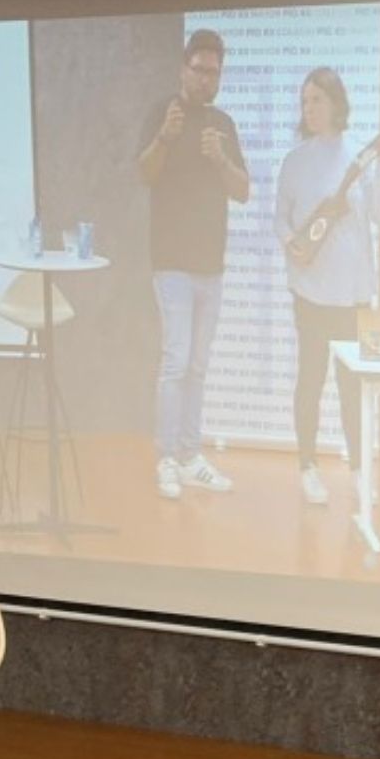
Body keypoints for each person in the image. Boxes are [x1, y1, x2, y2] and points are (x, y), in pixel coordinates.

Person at [138, 27, 249, 499]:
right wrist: (166, 137)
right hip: (171, 261)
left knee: (198, 365)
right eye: (200, 69)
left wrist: (221, 158)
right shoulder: (165, 114)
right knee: (176, 359)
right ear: (184, 69)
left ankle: (189, 454)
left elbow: (242, 190)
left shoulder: (223, 123)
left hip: (211, 264)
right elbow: (144, 173)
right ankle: (166, 457)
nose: (207, 78)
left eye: (215, 72)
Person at [274, 67, 374, 505]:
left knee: (353, 386)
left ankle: (358, 470)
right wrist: (291, 243)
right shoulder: (295, 160)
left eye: (317, 99)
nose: (309, 109)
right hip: (309, 291)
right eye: (304, 101)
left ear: (336, 102)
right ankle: (308, 466)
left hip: (352, 294)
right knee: (310, 379)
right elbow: (280, 217)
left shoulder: (361, 156)